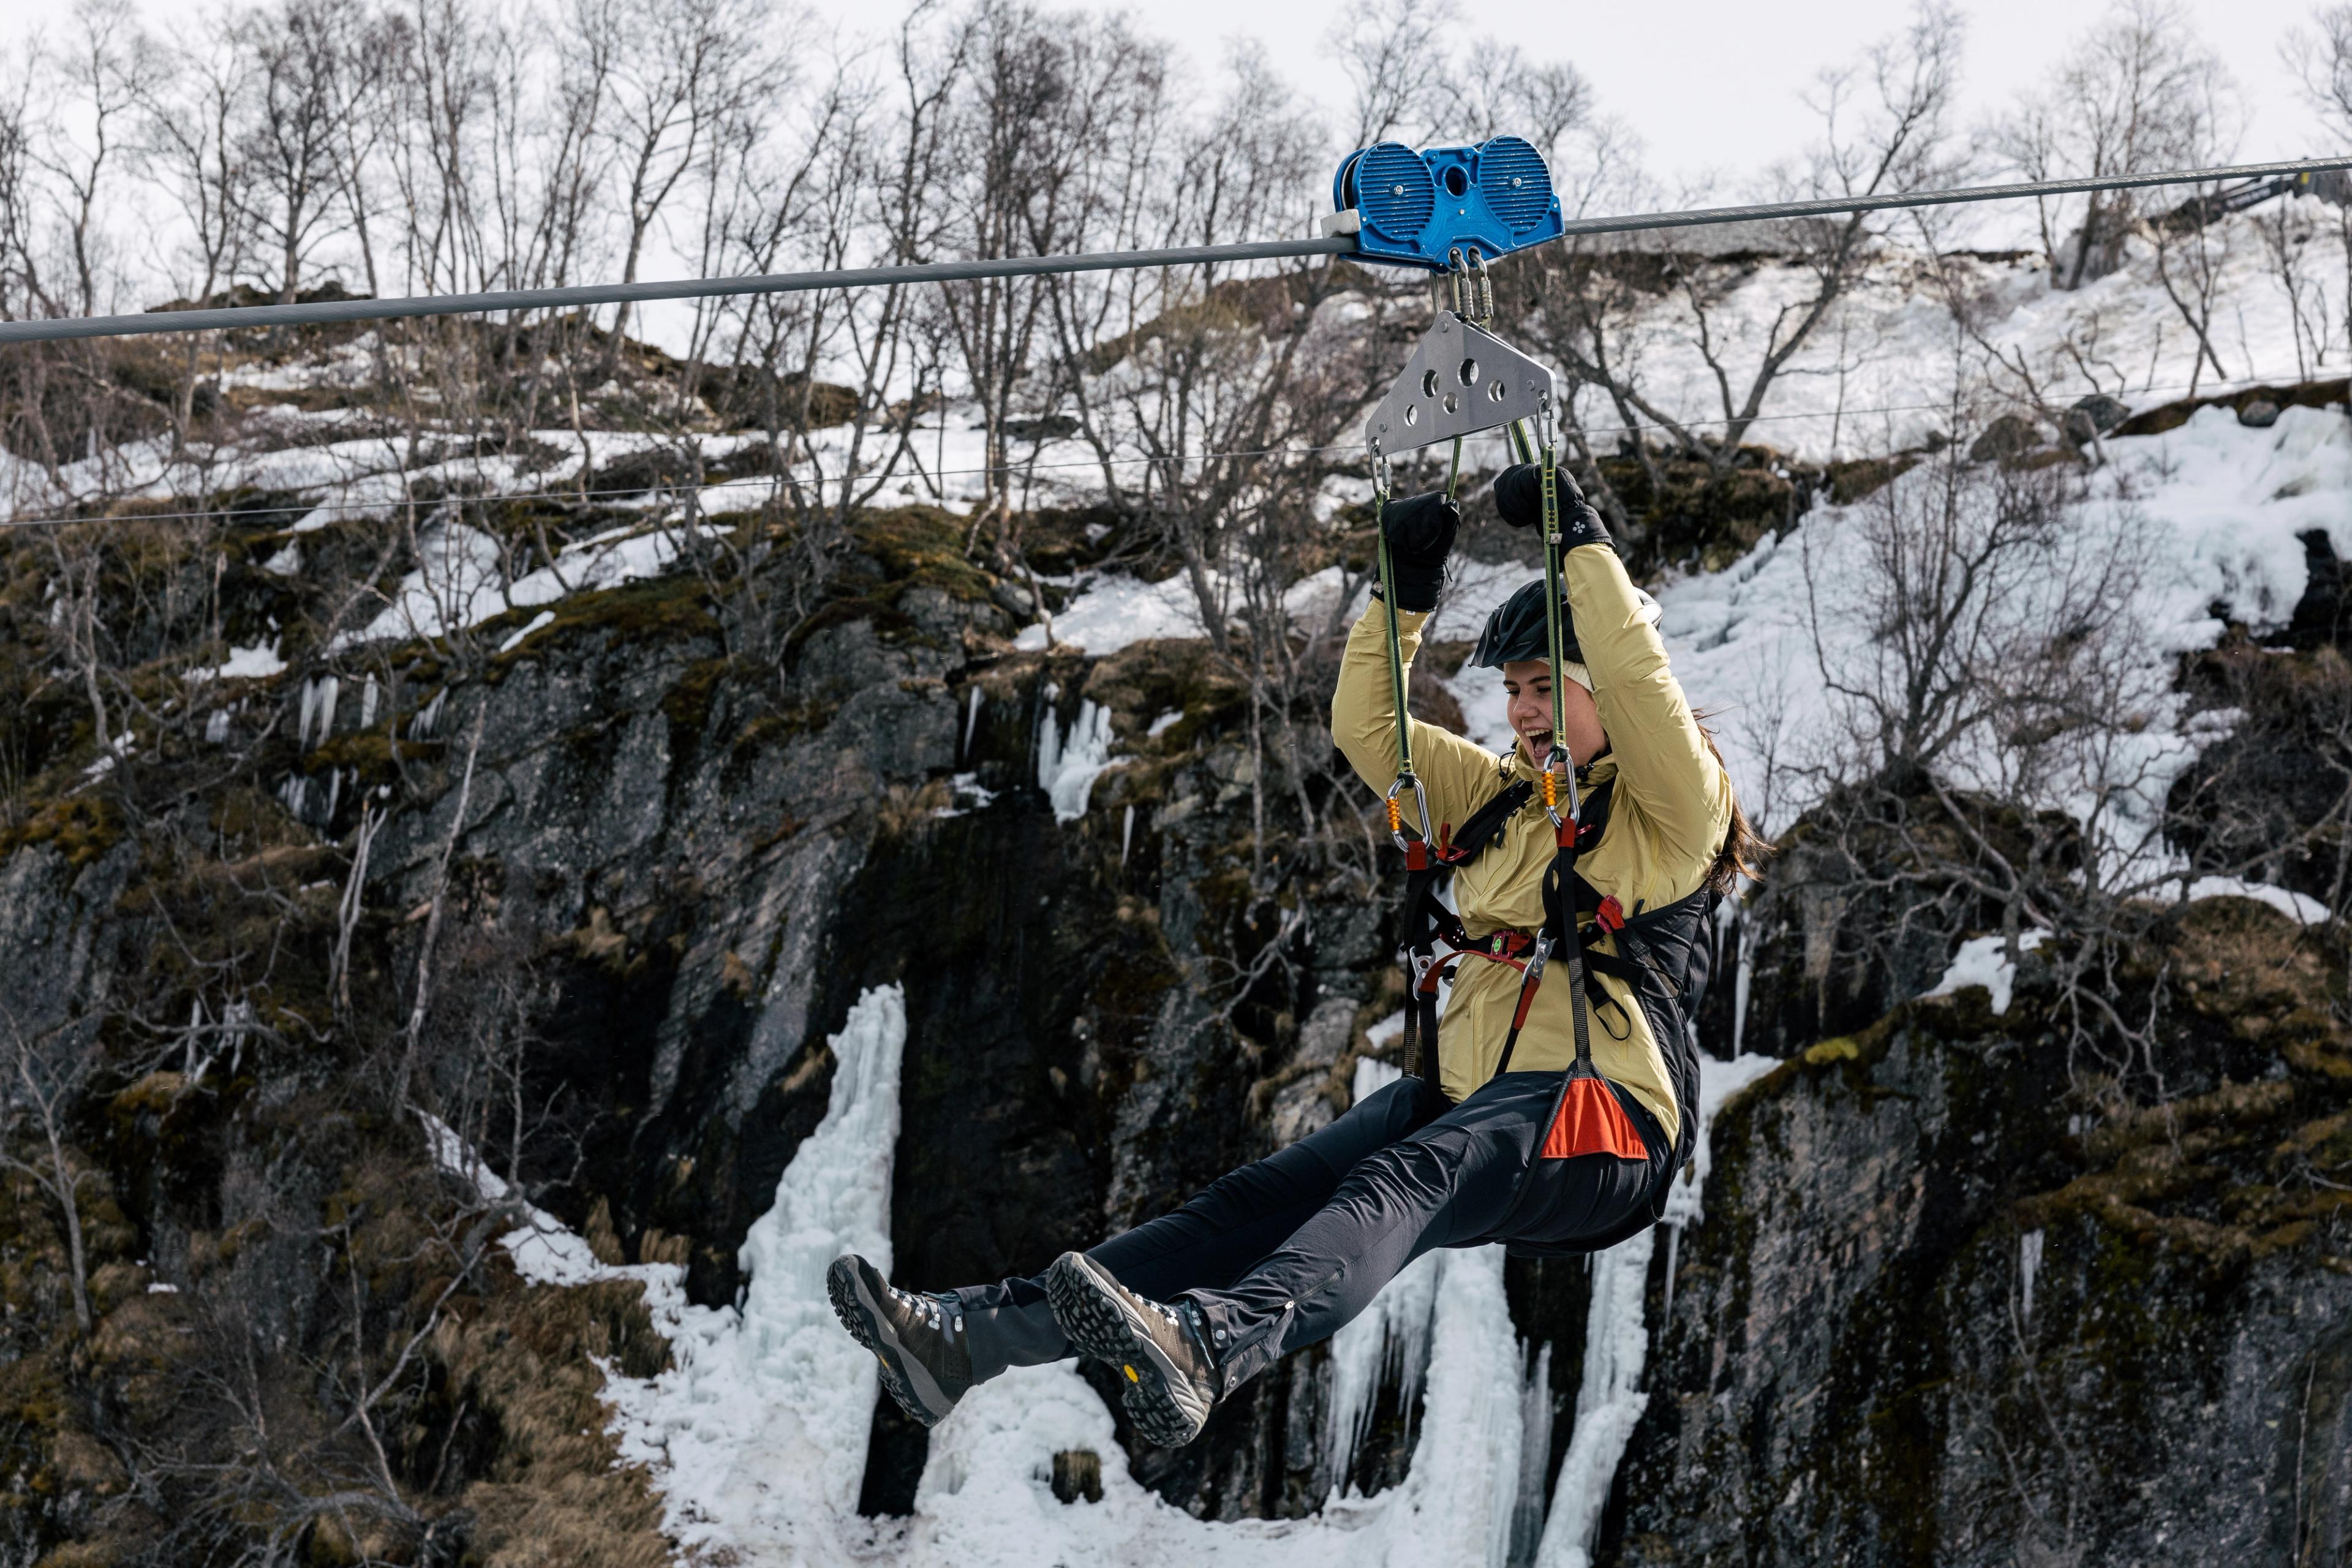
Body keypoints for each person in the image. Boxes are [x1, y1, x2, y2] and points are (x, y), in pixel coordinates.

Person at [828, 462, 1762, 1448]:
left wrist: (1580, 541)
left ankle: (1211, 1344)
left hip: (1605, 1123)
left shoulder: (1673, 813)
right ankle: (969, 1341)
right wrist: (1401, 593)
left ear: (1601, 693)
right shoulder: (1497, 801)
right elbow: (1367, 727)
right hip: (1474, 1103)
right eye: (1515, 691)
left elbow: (1641, 680)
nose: (1524, 712)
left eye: (1548, 690)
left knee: (1408, 1177)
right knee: (1251, 1204)